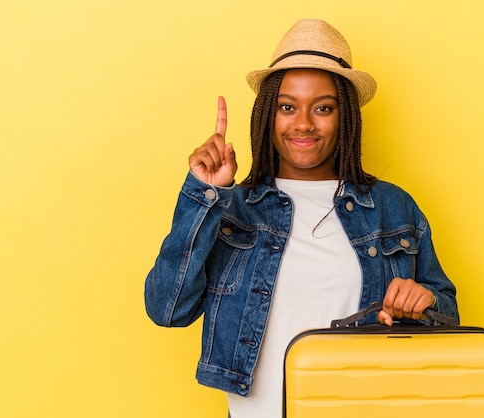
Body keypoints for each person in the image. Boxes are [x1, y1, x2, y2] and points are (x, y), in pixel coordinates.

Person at [144, 18, 458, 418]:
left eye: (322, 108)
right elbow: (167, 309)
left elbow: (446, 311)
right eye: (287, 107)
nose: (304, 123)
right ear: (268, 116)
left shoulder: (393, 209)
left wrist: (426, 302)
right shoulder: (233, 209)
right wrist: (206, 194)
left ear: (345, 117)